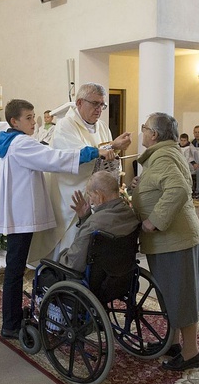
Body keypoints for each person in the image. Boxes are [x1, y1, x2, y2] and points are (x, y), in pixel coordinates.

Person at [0, 99, 115, 339]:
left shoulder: (10, 141)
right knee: (14, 270)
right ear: (14, 121)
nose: (33, 121)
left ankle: (12, 318)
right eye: (28, 117)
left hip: (17, 213)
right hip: (21, 216)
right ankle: (11, 324)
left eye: (34, 116)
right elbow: (54, 158)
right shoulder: (21, 144)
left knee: (14, 267)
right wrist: (93, 151)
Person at [27, 82, 132, 263]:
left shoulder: (102, 127)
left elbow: (107, 155)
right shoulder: (65, 126)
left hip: (98, 193)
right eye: (95, 104)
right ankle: (64, 269)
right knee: (71, 236)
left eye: (102, 105)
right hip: (71, 190)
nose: (99, 109)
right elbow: (73, 156)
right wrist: (112, 146)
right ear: (79, 103)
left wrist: (114, 153)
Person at [132, 112, 199, 371]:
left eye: (144, 128)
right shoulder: (165, 154)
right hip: (172, 240)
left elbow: (178, 189)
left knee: (182, 296)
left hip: (173, 239)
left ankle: (191, 352)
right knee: (172, 295)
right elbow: (168, 184)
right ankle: (173, 344)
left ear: (154, 134)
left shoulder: (162, 156)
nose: (142, 132)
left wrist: (154, 221)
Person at [57, 171, 139, 274]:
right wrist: (85, 217)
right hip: (121, 278)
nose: (90, 202)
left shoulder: (94, 223)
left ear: (99, 195)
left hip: (93, 282)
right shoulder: (130, 214)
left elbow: (73, 264)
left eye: (90, 195)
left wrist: (61, 255)